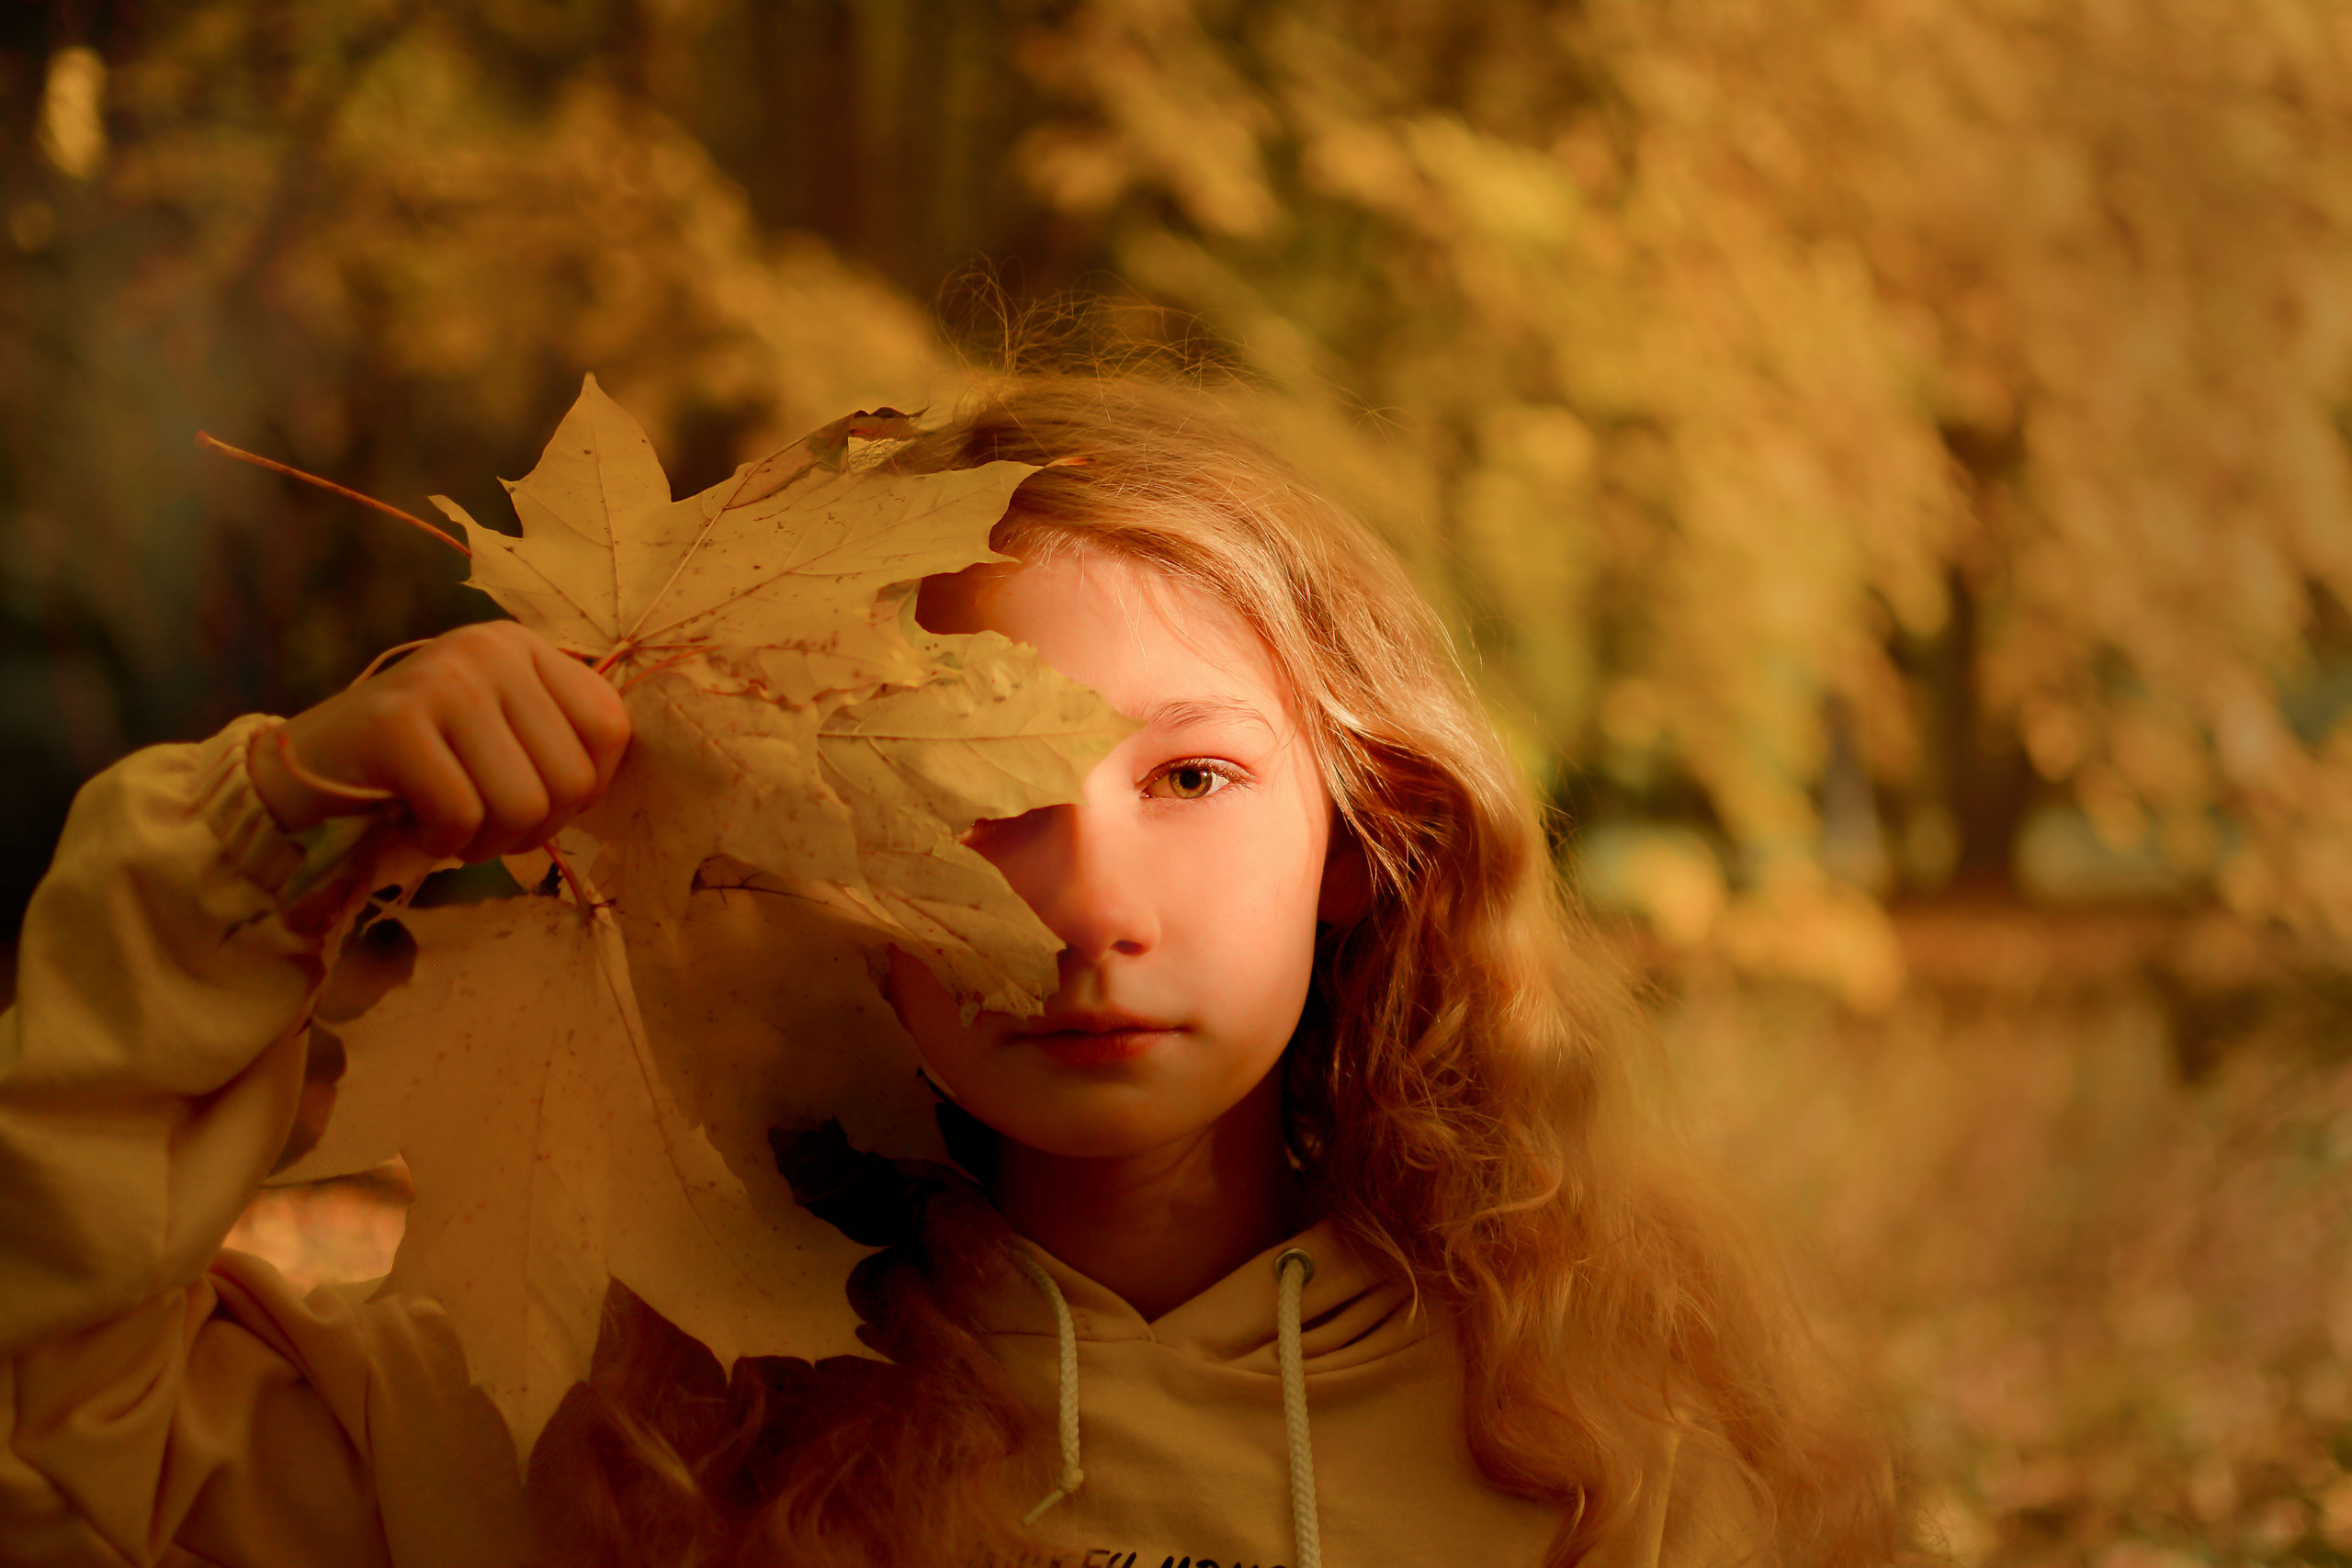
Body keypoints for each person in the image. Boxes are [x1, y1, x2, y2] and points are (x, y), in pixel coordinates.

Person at [0, 377, 1910, 1567]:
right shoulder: (607, 1423)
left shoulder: (1604, 1439)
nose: (1086, 898)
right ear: (828, 865)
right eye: (971, 794)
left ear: (1366, 837)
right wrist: (276, 835)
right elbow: (63, 1431)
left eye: (1187, 775)